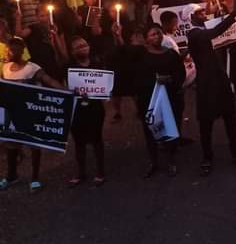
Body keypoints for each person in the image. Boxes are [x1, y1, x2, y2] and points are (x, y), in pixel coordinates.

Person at [187, 4, 236, 175]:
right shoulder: (194, 33)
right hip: (206, 84)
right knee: (206, 123)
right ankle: (207, 157)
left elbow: (225, 36)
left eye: (203, 11)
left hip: (220, 79)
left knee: (230, 118)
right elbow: (215, 32)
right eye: (198, 13)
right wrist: (233, 14)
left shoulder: (206, 28)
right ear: (190, 17)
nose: (203, 14)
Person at [114, 23, 186, 177]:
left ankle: (171, 160)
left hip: (169, 98)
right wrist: (118, 35)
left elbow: (181, 74)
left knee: (170, 129)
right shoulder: (140, 53)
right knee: (150, 130)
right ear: (146, 38)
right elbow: (123, 50)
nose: (157, 37)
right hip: (149, 99)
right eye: (153, 34)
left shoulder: (171, 54)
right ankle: (153, 161)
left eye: (159, 33)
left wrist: (170, 79)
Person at [0, 36, 64, 192]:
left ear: (21, 51)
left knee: (34, 144)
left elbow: (49, 80)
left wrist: (67, 92)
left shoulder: (32, 68)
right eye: (9, 49)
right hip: (12, 113)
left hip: (30, 112)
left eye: (12, 50)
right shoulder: (6, 68)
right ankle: (11, 175)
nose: (9, 53)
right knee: (11, 145)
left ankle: (35, 178)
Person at [65, 36, 106, 187]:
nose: (82, 48)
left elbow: (105, 83)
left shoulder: (97, 63)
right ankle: (81, 173)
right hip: (76, 109)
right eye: (78, 47)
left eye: (84, 45)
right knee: (79, 142)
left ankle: (100, 172)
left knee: (96, 140)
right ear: (72, 51)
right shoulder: (68, 67)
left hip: (95, 108)